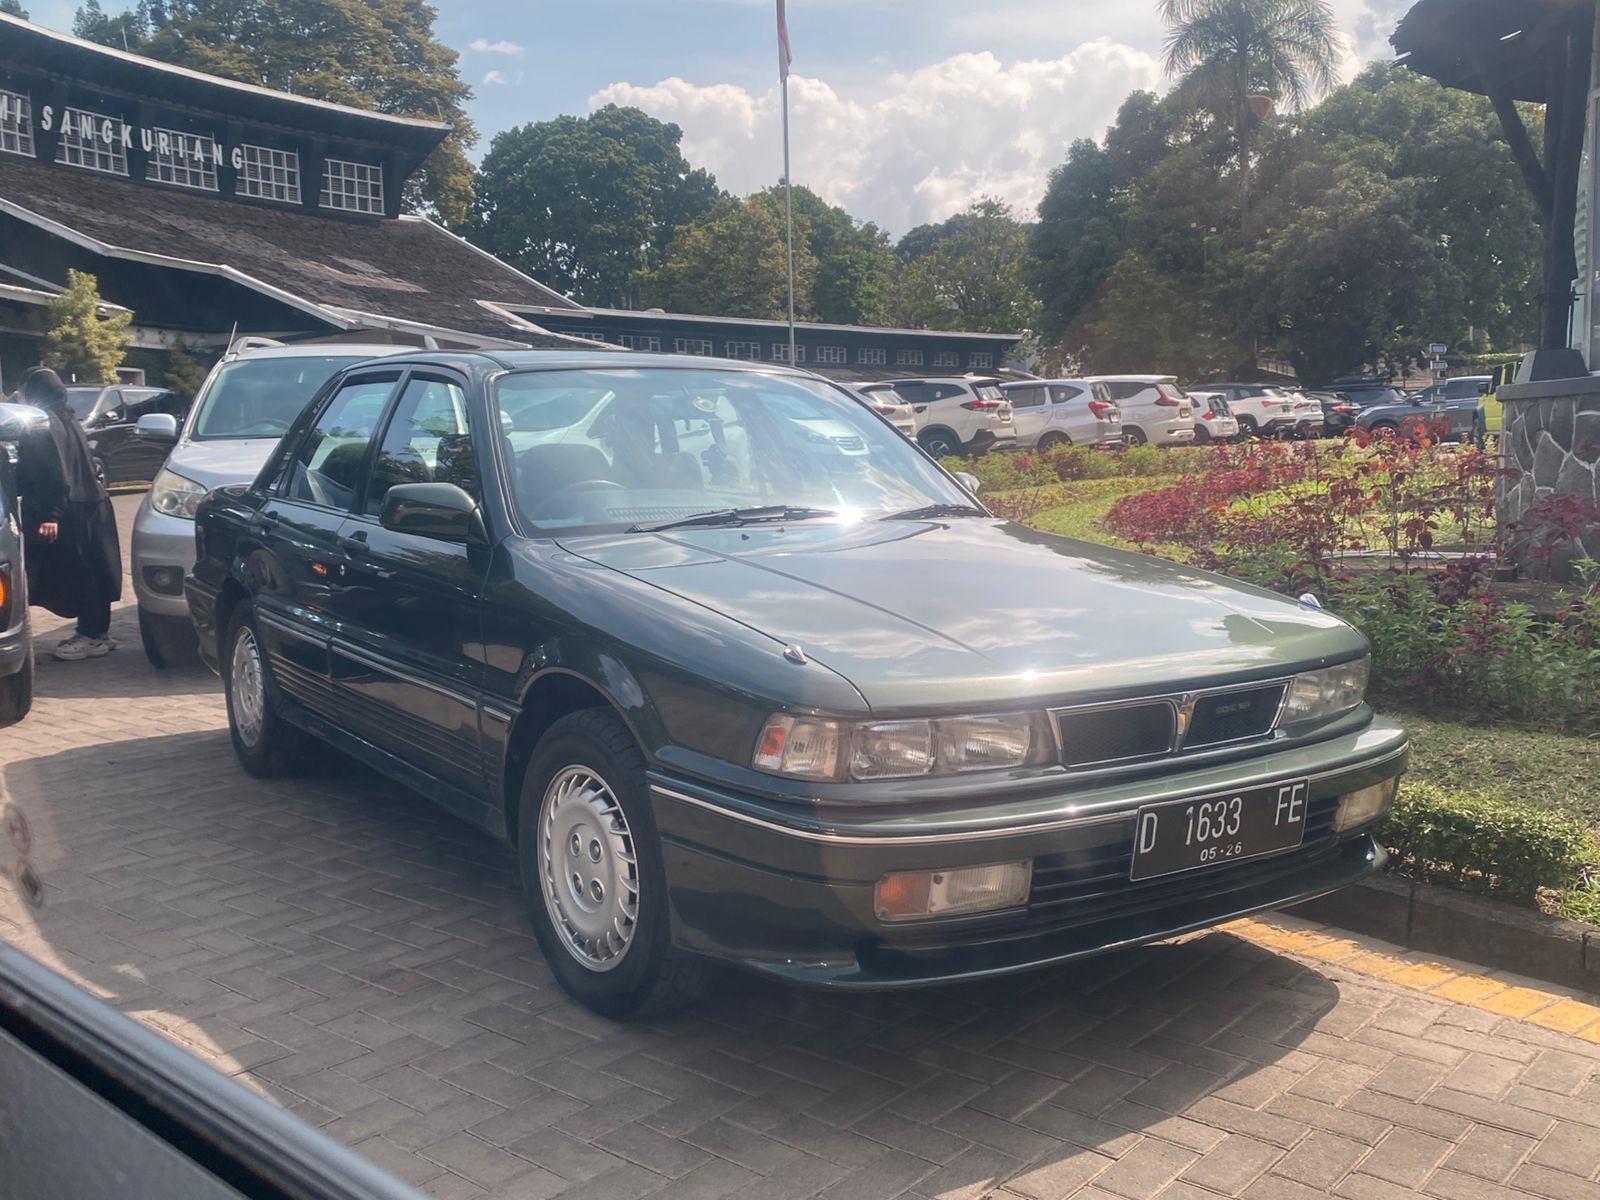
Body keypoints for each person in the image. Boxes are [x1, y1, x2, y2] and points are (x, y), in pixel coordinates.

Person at [14, 367, 123, 660]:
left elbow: (52, 471)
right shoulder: (67, 417)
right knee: (93, 571)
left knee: (81, 573)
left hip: (71, 509)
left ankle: (90, 636)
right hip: (91, 504)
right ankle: (97, 633)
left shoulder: (44, 424)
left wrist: (50, 514)